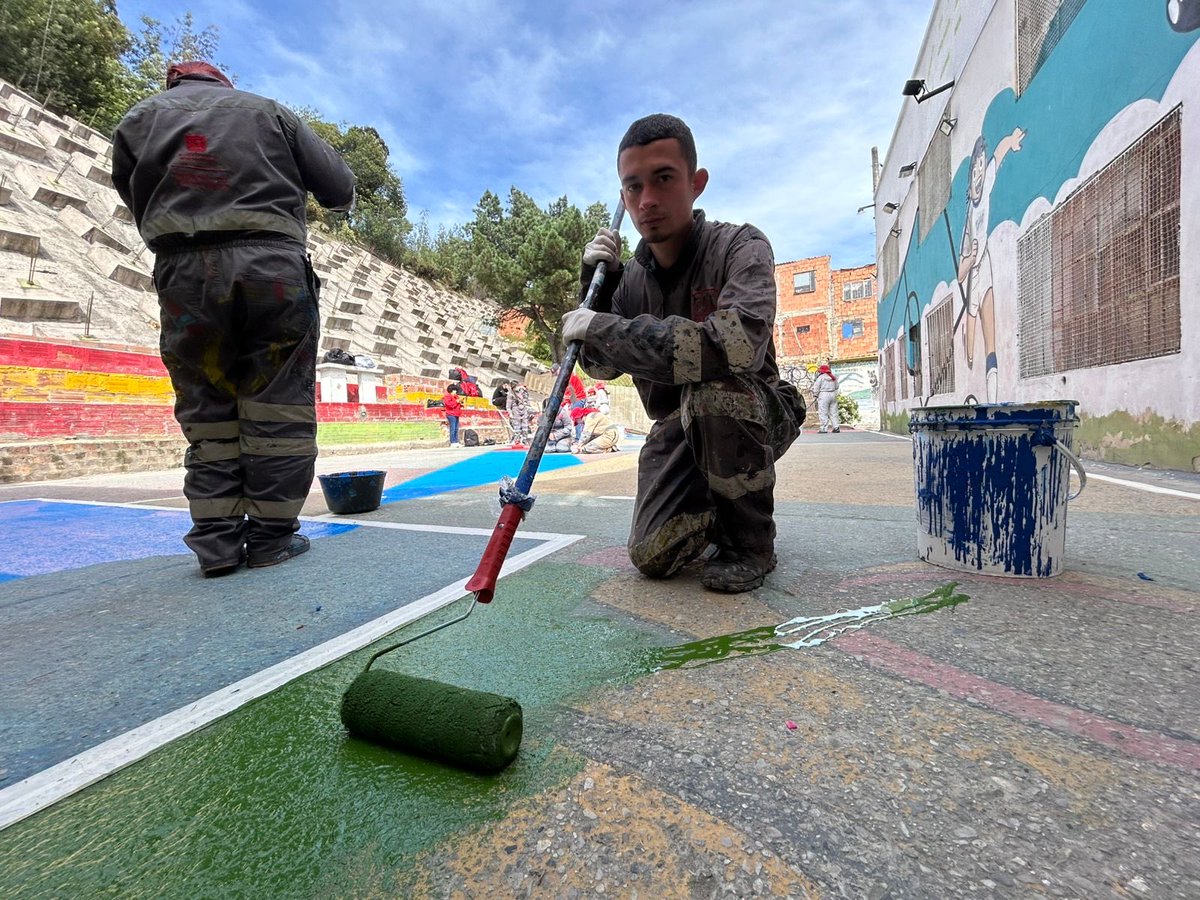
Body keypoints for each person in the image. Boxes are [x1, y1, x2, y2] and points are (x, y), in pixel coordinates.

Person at [111, 61, 355, 577]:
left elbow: (134, 199)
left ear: (173, 86)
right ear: (224, 84)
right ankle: (270, 539)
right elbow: (339, 187)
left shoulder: (137, 120)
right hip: (271, 268)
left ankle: (217, 545)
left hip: (183, 275)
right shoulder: (269, 112)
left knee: (207, 408)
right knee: (278, 407)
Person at [561, 113, 805, 593]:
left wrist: (606, 326)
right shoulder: (627, 280)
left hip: (751, 409)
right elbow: (598, 365)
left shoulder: (741, 246)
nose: (647, 200)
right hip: (677, 429)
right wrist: (599, 289)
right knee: (651, 555)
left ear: (696, 184)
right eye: (632, 188)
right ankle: (717, 511)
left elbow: (733, 348)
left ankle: (750, 543)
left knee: (714, 393)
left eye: (663, 179)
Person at [812, 364, 840, 433]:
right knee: (833, 412)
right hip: (833, 394)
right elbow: (837, 386)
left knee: (823, 412)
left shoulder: (821, 377)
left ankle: (824, 428)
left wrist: (815, 394)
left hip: (824, 394)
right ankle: (836, 427)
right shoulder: (833, 377)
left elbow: (816, 387)